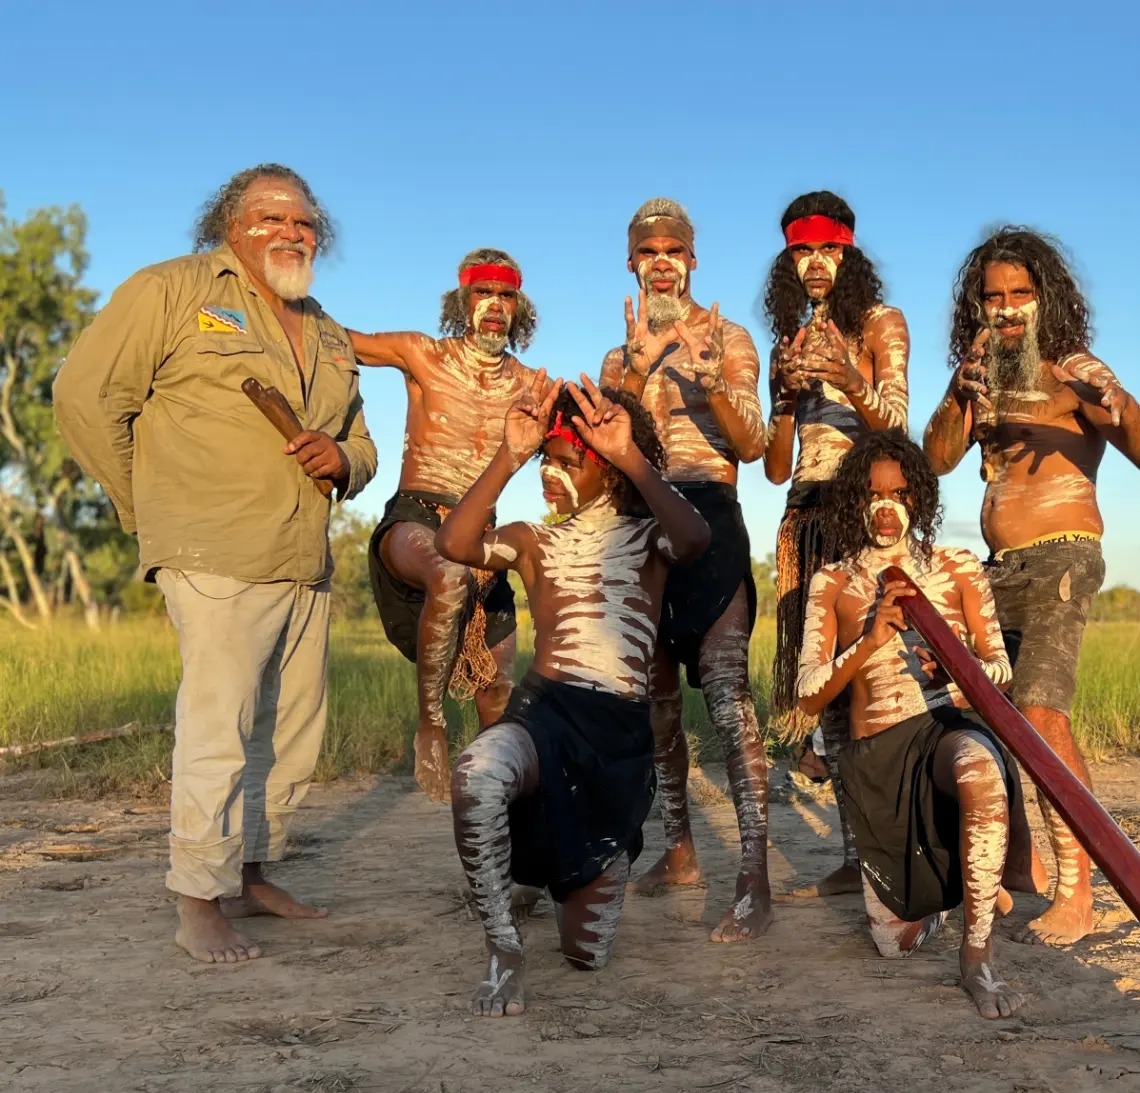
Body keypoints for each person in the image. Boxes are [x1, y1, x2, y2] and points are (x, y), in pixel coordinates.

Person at [53, 163, 376, 964]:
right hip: (213, 550)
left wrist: (343, 458)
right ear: (230, 226)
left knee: (290, 732)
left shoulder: (327, 329)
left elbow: (365, 444)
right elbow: (84, 397)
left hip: (303, 559)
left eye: (303, 221)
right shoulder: (172, 291)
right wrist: (147, 509)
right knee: (220, 729)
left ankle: (249, 875)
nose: (290, 232)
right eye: (269, 217)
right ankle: (197, 898)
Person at [923, 226, 1140, 945]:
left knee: (1042, 714)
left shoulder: (1071, 373)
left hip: (1063, 556)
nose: (1005, 309)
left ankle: (1081, 890)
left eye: (1020, 295)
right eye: (992, 297)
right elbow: (937, 460)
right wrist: (954, 391)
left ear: (1045, 300)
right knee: (983, 711)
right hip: (998, 570)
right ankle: (1021, 866)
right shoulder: (980, 379)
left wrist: (1116, 398)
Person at [437, 375, 710, 1016]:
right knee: (477, 773)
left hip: (615, 741)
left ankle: (584, 869)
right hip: (545, 712)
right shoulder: (536, 540)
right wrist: (511, 454)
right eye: (547, 463)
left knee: (586, 956)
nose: (550, 476)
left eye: (567, 463)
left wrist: (629, 455)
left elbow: (697, 538)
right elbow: (454, 543)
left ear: (610, 468)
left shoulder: (650, 541)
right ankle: (503, 948)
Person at [796, 430, 1021, 1018]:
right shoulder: (834, 582)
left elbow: (999, 667)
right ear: (854, 503)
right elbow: (807, 694)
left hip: (943, 730)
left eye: (898, 494)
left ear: (918, 498)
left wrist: (957, 667)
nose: (886, 508)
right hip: (880, 761)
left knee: (980, 771)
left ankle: (977, 958)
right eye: (872, 496)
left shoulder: (957, 566)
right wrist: (869, 638)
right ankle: (963, 873)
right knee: (895, 945)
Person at [598, 198, 772, 942]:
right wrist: (636, 379)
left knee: (729, 696)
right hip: (641, 518)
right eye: (648, 250)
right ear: (632, 263)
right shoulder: (619, 354)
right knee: (658, 700)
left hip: (710, 510)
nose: (661, 260)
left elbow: (757, 445)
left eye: (674, 248)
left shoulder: (728, 337)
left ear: (693, 259)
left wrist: (710, 387)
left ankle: (755, 877)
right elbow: (611, 445)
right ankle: (678, 853)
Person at [348, 251, 539, 800]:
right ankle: (431, 723)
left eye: (505, 297)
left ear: (519, 308)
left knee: (500, 693)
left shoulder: (528, 385)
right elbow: (339, 338)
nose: (495, 307)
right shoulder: (422, 354)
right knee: (448, 572)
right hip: (415, 519)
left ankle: (499, 834)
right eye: (483, 294)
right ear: (463, 302)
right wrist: (262, 302)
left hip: (480, 534)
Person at [761, 190, 910, 894]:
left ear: (847, 253)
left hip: (861, 518)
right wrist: (785, 398)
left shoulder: (881, 323)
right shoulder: (788, 339)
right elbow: (769, 463)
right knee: (822, 687)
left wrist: (847, 376)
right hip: (804, 517)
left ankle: (896, 850)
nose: (813, 263)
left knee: (874, 684)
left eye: (825, 250)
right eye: (800, 252)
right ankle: (858, 857)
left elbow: (899, 433)